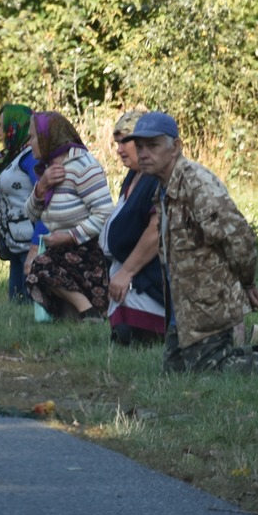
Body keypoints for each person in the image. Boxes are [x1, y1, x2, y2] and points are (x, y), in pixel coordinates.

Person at [130, 112, 258, 373]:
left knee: (209, 370)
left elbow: (239, 237)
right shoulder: (163, 186)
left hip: (210, 300)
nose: (143, 153)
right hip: (185, 302)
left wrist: (247, 282)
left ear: (175, 147)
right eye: (139, 146)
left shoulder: (197, 183)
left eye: (153, 145)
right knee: (175, 369)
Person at [22, 112, 114, 320]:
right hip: (63, 249)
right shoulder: (47, 169)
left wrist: (70, 236)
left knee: (40, 265)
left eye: (33, 137)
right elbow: (30, 213)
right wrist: (42, 186)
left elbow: (105, 213)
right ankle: (83, 314)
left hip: (89, 250)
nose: (28, 143)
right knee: (38, 269)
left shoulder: (83, 165)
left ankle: (89, 312)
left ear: (49, 137)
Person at [104, 110, 168, 346]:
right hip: (131, 275)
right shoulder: (133, 176)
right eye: (117, 143)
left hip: (150, 278)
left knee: (129, 335)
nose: (119, 149)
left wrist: (127, 272)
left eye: (125, 141)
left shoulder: (154, 178)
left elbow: (156, 228)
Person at [0, 104, 40, 302]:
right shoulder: (10, 157)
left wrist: (36, 244)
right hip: (15, 241)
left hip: (31, 242)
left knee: (33, 304)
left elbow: (43, 197)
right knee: (16, 305)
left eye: (2, 126)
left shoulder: (31, 157)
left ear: (15, 126)